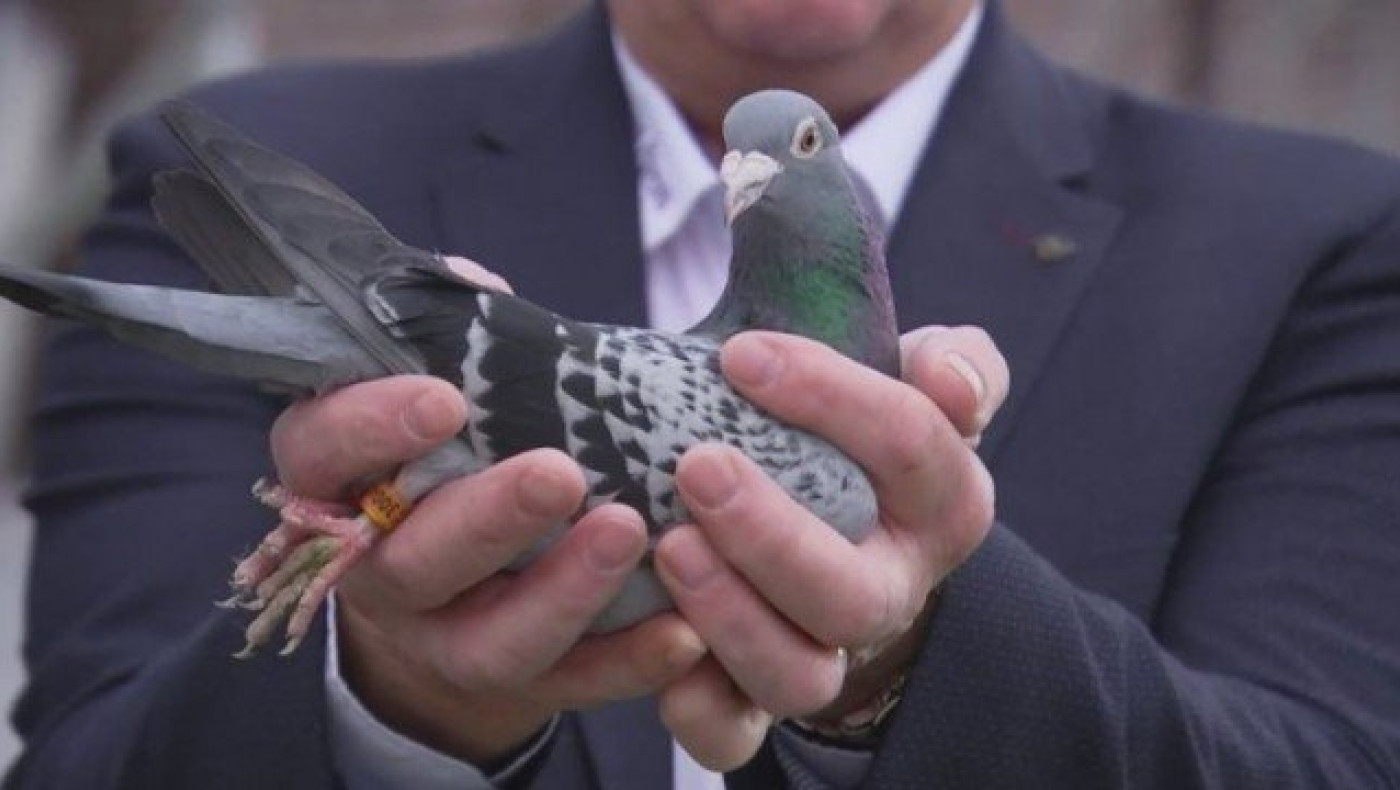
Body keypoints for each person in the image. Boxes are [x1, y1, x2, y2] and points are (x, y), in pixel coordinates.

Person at [7, 0, 1400, 787]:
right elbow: (88, 764)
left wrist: (912, 660)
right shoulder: (285, 131)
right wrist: (390, 703)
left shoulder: (1322, 244)